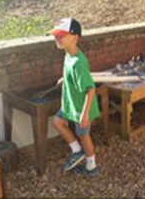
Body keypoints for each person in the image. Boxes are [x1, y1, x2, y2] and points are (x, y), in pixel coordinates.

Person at [49, 17, 99, 177]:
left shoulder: (78, 62)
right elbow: (74, 75)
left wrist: (84, 115)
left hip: (80, 108)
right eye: (56, 35)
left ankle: (91, 166)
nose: (57, 38)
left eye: (61, 35)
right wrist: (65, 78)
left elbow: (90, 90)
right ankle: (77, 151)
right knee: (58, 122)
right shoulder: (68, 54)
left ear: (75, 37)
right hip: (70, 104)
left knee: (84, 135)